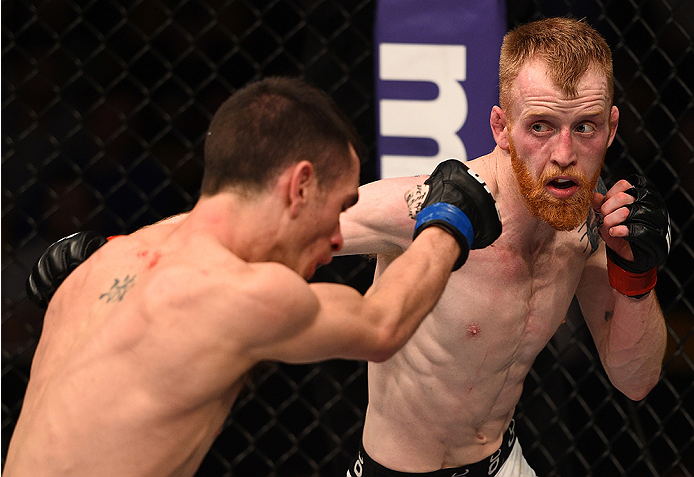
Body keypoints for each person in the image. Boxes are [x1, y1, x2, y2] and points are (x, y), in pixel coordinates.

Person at [4, 77, 503, 476]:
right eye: (338, 208)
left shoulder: (103, 264)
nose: (335, 238)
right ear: (300, 186)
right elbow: (381, 325)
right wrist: (447, 221)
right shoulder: (237, 292)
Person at [340, 17, 670, 476]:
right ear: (501, 127)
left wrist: (638, 276)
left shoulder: (588, 234)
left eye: (585, 127)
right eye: (540, 127)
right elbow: (259, 236)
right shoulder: (423, 210)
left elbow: (636, 381)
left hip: (503, 462)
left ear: (612, 128)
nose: (564, 154)